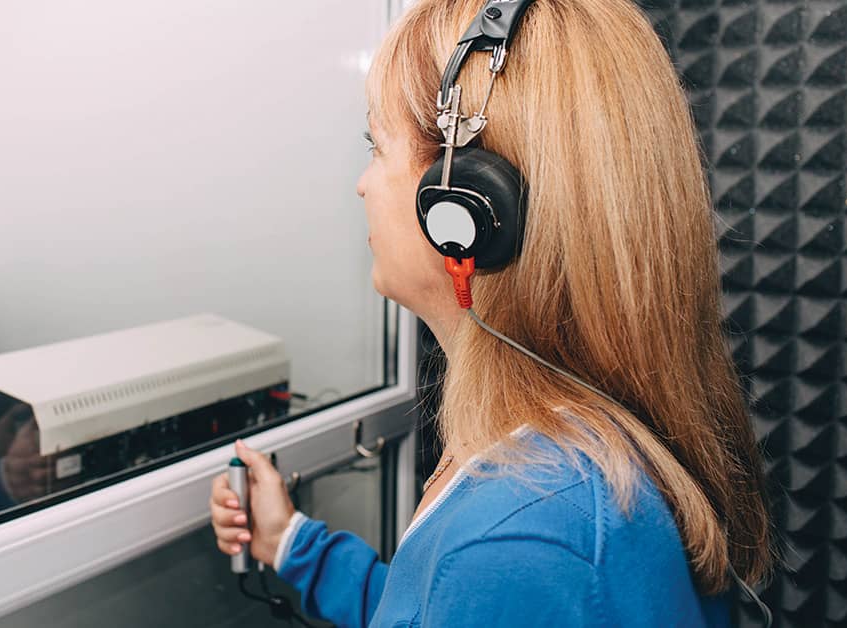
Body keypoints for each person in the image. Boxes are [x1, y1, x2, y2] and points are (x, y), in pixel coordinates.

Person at [210, 0, 773, 625]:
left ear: (465, 202)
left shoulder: (521, 542)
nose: (362, 185)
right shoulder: (554, 473)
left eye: (377, 145)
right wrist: (291, 542)